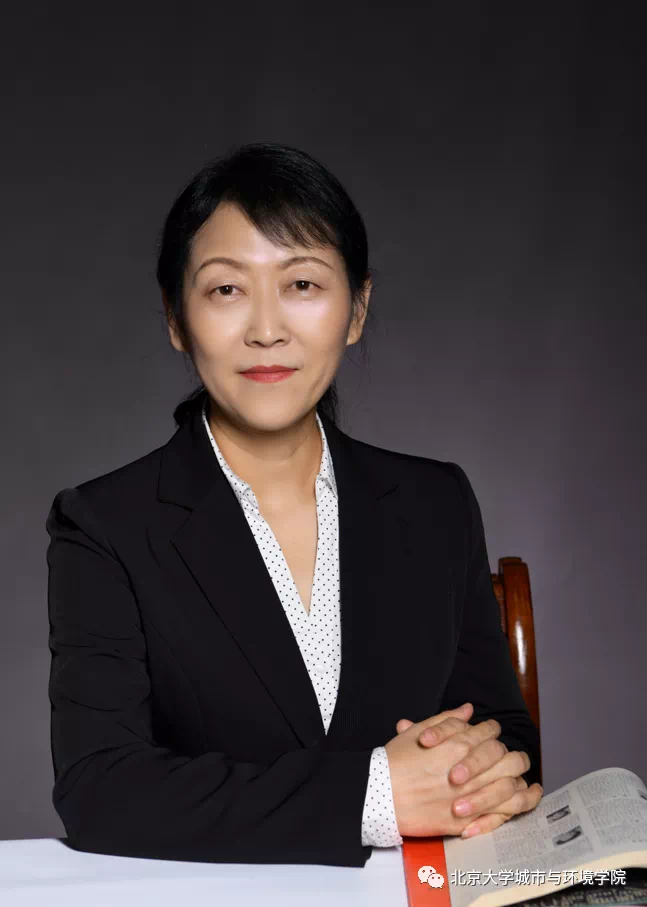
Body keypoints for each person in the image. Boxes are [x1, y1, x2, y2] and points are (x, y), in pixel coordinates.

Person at [45, 141, 543, 868]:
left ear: (356, 309)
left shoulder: (435, 503)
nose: (266, 329)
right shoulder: (105, 525)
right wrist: (374, 795)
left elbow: (504, 737)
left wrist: (480, 779)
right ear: (176, 317)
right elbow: (99, 788)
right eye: (226, 290)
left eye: (302, 284)